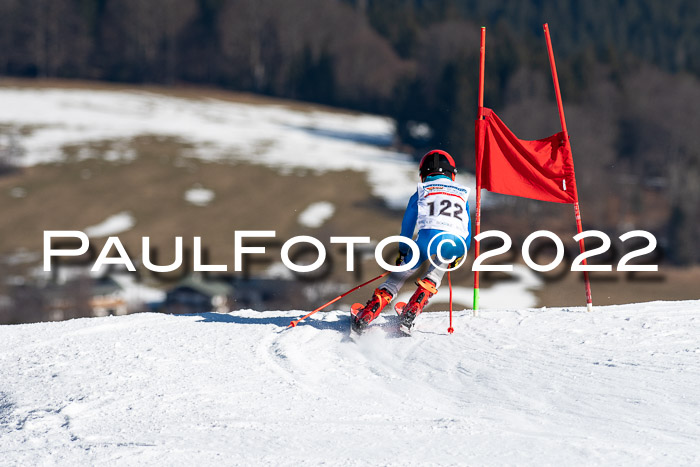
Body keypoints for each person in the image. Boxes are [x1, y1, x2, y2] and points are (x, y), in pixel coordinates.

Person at [352, 149, 471, 333]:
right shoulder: (463, 193)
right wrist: (459, 254)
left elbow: (408, 223)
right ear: (452, 174)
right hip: (456, 242)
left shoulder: (422, 190)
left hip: (426, 240)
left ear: (423, 173)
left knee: (398, 277)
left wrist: (403, 251)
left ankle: (368, 313)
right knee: (439, 266)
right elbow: (467, 231)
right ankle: (413, 309)